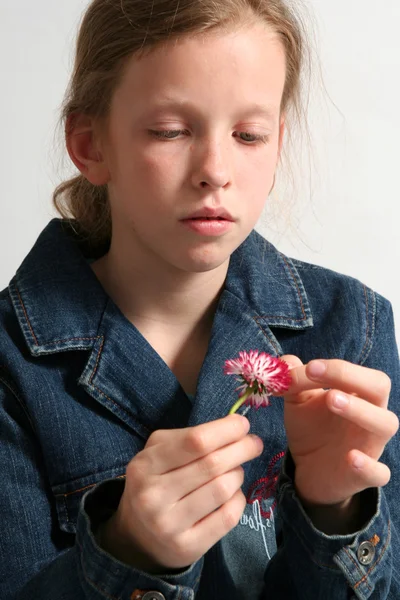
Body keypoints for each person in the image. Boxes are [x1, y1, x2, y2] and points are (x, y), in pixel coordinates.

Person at [1, 0, 399, 598]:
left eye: (249, 135)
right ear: (90, 145)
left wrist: (332, 511)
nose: (215, 169)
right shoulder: (12, 364)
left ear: (277, 144)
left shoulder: (353, 327)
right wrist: (128, 551)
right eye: (170, 131)